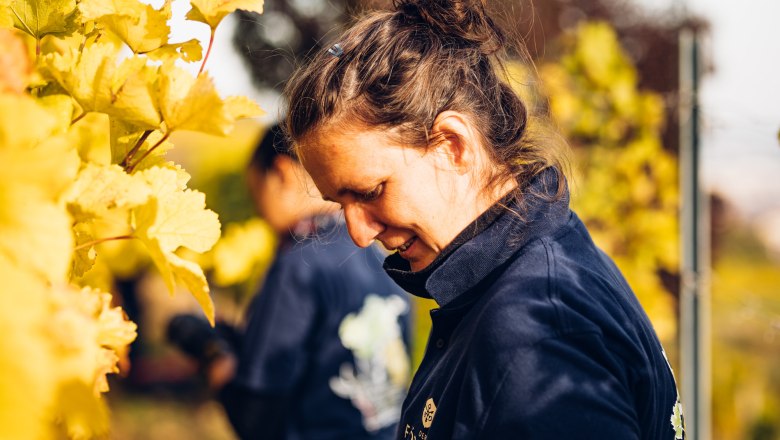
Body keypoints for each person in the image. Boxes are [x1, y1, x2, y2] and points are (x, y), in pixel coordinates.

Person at [280, 0, 685, 439]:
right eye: (340, 204)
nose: (358, 234)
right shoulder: (533, 274)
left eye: (370, 191)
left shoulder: (536, 337)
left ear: (454, 145)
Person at [168, 124, 412, 440]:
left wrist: (210, 352)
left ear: (280, 173)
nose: (261, 214)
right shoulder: (379, 255)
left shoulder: (299, 266)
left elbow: (255, 417)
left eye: (256, 193)